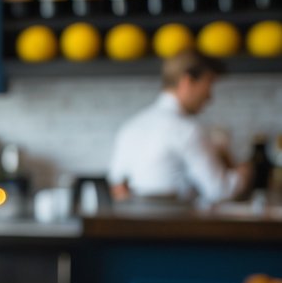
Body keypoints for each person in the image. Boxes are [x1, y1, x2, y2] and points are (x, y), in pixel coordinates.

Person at [107, 49, 250, 203]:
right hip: (177, 223)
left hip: (133, 224)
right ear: (188, 81)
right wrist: (246, 169)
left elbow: (118, 187)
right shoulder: (188, 130)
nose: (209, 96)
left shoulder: (130, 126)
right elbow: (220, 191)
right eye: (208, 85)